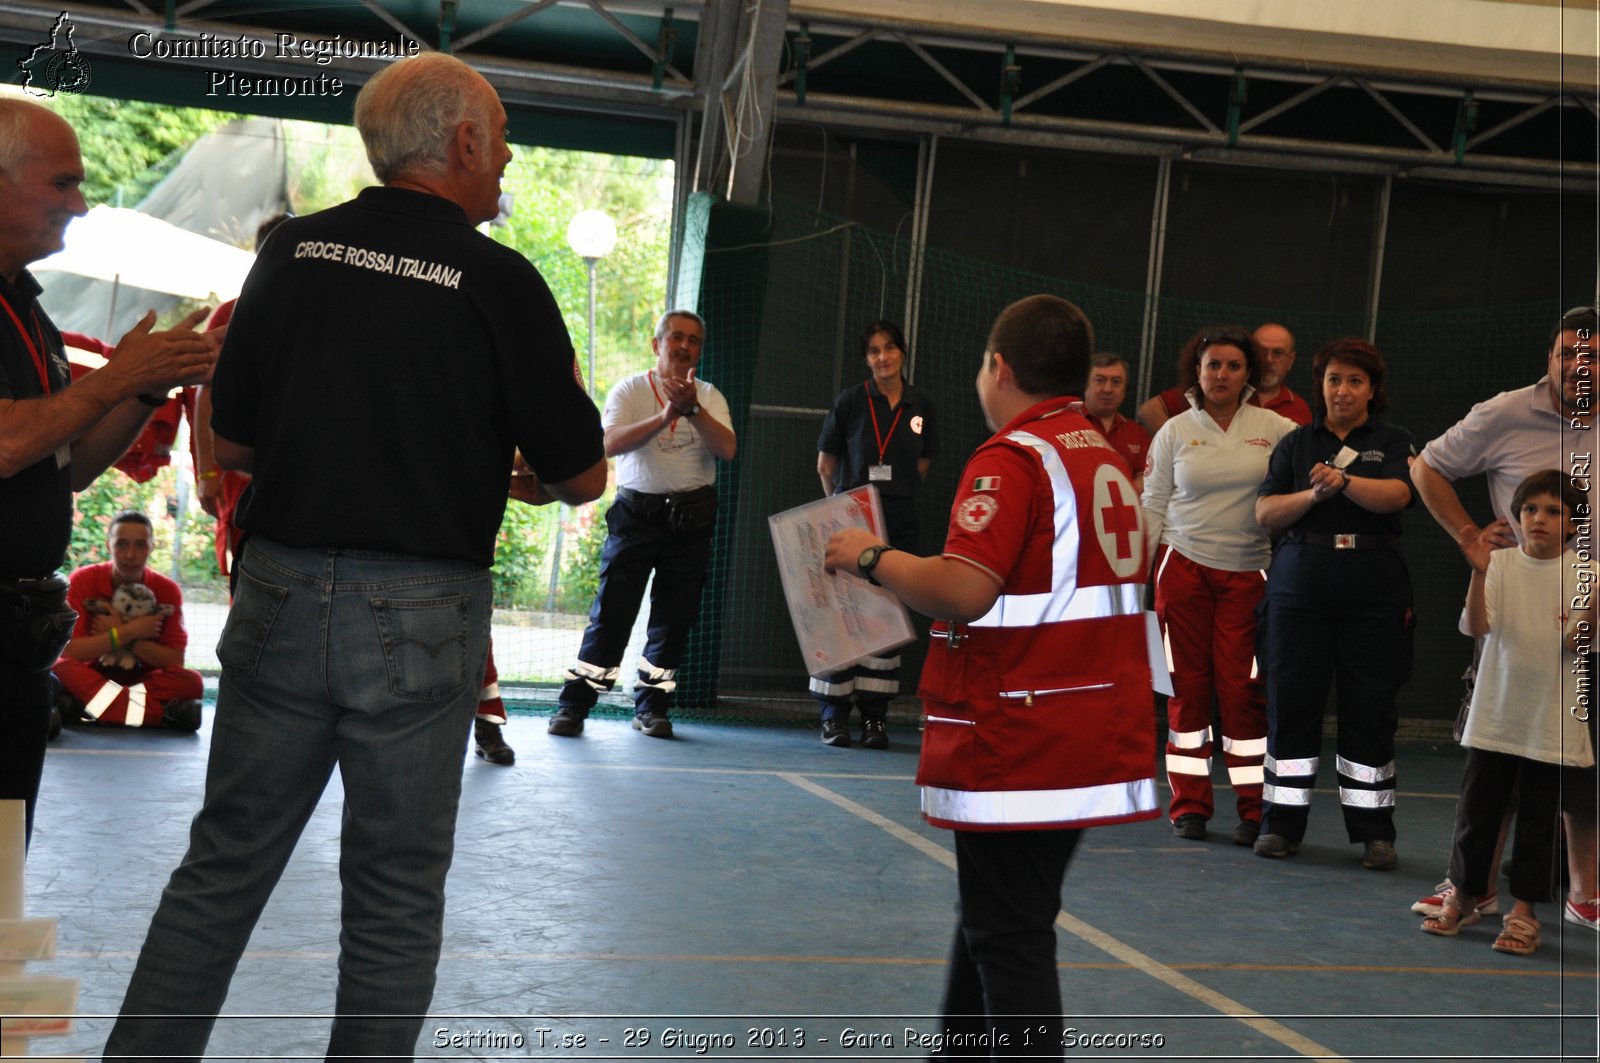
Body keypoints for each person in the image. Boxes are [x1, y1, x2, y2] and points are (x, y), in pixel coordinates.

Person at [104, 53, 607, 1060]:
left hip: (283, 588)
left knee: (222, 869)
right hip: (421, 609)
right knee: (392, 893)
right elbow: (584, 474)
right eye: (501, 138)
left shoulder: (291, 252)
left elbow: (233, 442)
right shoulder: (500, 280)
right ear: (463, 142)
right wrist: (500, 466)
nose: (505, 158)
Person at [824, 294, 1157, 1057]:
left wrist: (869, 556)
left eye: (982, 361)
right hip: (1085, 725)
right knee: (999, 916)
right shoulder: (1103, 451)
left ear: (999, 368)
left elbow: (966, 586)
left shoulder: (1014, 457)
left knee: (1008, 934)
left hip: (1021, 729)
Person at [0, 98, 216, 849]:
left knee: (4, 844)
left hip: (18, 638)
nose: (80, 204)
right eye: (62, 184)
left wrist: (147, 385)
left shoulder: (28, 309)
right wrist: (114, 376)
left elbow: (68, 468)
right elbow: (2, 443)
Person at [1411, 305, 1600, 927]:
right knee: (1492, 757)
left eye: (1591, 357)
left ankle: (1583, 894)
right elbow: (1426, 465)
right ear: (1547, 360)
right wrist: (1469, 536)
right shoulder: (1504, 413)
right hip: (1516, 613)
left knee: (1579, 758)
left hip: (1592, 619)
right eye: (1567, 355)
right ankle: (1472, 887)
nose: (1578, 367)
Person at [1253, 339, 1417, 869]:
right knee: (1292, 703)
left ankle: (1374, 832)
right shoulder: (1297, 444)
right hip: (1300, 583)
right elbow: (1266, 513)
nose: (1342, 390)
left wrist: (1345, 481)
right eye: (1333, 380)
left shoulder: (1394, 440)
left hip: (1373, 585)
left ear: (1372, 389)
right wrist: (1313, 496)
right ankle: (1280, 824)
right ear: (1320, 386)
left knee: (1370, 708)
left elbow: (1397, 495)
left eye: (1354, 381)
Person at [1419, 470, 1594, 956]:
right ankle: (1464, 898)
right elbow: (1476, 626)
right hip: (1495, 716)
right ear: (1516, 517)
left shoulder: (1586, 574)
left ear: (1571, 525)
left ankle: (1523, 915)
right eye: (1530, 509)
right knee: (1476, 814)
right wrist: (1478, 570)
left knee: (1540, 820)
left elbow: (1577, 641)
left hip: (1551, 723)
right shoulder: (1497, 566)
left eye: (1553, 511)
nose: (1539, 519)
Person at [547, 309, 736, 740]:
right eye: (676, 337)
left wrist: (693, 411)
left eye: (693, 340)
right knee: (612, 611)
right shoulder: (631, 389)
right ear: (657, 345)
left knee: (674, 617)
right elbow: (609, 444)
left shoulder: (711, 395)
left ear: (699, 351)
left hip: (692, 518)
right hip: (636, 517)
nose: (684, 346)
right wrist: (667, 415)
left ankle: (652, 707)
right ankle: (573, 706)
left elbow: (727, 449)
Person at [1140, 326, 1295, 846]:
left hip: (1250, 575)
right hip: (1180, 571)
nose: (1222, 374)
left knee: (1242, 694)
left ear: (1249, 373)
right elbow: (1152, 505)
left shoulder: (1275, 428)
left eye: (1232, 365)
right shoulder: (1174, 432)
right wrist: (1137, 572)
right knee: (1185, 693)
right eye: (1213, 366)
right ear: (1197, 372)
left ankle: (1254, 811)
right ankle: (1189, 806)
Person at [811, 319, 938, 748]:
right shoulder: (850, 401)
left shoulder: (921, 405)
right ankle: (834, 716)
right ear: (866, 359)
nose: (882, 357)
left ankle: (875, 718)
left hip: (899, 522)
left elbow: (923, 463)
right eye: (873, 351)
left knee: (885, 618)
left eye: (889, 349)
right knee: (843, 616)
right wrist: (841, 510)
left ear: (903, 352)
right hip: (852, 519)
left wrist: (893, 494)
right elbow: (825, 467)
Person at [51, 510, 203, 731]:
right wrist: (128, 632)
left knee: (192, 681)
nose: (131, 555)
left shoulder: (167, 589)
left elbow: (173, 660)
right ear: (108, 545)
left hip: (141, 680)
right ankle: (161, 715)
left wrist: (125, 634)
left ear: (152, 547)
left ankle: (85, 708)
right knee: (61, 668)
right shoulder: (82, 580)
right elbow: (69, 651)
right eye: (122, 544)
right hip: (92, 674)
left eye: (140, 545)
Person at [1136, 322, 1312, 435]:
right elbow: (1147, 411)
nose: (1268, 360)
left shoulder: (1299, 409)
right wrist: (1181, 441)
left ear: (1291, 360)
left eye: (1278, 353)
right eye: (1261, 351)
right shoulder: (1215, 393)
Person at [1079, 352, 1150, 491]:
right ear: (1085, 385)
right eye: (1100, 380)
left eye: (1116, 382)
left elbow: (1146, 479)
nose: (1108, 389)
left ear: (1125, 388)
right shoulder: (1068, 425)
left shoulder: (1137, 434)